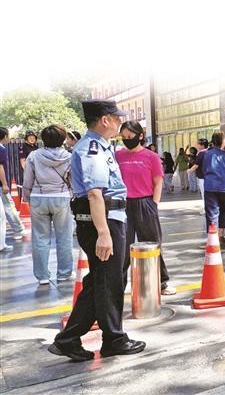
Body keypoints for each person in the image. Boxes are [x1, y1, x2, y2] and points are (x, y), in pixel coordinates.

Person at [48, 99, 145, 362]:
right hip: (103, 221)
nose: (119, 123)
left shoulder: (100, 146)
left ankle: (68, 340)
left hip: (110, 218)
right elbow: (94, 193)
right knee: (109, 281)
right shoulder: (91, 149)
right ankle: (113, 339)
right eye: (117, 118)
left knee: (101, 281)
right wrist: (103, 233)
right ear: (105, 120)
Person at [116, 121, 175, 295]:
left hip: (145, 203)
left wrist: (153, 204)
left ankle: (161, 283)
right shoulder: (117, 156)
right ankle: (118, 286)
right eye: (123, 137)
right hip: (123, 205)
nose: (127, 139)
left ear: (140, 136)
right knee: (122, 247)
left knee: (153, 243)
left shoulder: (151, 157)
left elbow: (158, 182)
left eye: (130, 136)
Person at [21, 125, 74, 285]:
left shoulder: (34, 156)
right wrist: (72, 195)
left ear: (43, 139)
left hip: (38, 197)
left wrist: (27, 198)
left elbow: (27, 180)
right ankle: (64, 273)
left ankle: (42, 276)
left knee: (40, 238)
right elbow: (73, 179)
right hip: (61, 197)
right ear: (62, 139)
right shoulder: (69, 156)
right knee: (64, 237)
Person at [0, 127, 25, 241]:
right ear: (5, 136)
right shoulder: (1, 149)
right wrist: (4, 184)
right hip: (1, 185)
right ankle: (19, 229)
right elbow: (0, 167)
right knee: (8, 206)